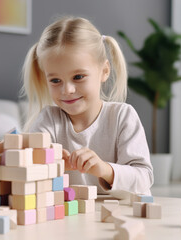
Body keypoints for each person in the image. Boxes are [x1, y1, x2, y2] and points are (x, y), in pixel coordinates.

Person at [21, 16, 153, 195]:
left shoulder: (122, 116)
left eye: (78, 77)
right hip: (71, 219)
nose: (67, 90)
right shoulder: (48, 121)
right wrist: (46, 162)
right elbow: (25, 174)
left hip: (118, 216)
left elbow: (144, 178)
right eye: (55, 80)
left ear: (104, 71)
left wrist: (104, 169)